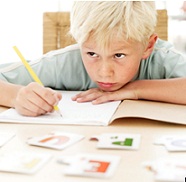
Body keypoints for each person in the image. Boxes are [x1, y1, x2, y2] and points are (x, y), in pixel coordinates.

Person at [0, 1, 186, 117]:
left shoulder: (163, 59)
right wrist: (17, 97)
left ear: (148, 46)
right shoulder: (66, 63)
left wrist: (136, 89)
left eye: (119, 55)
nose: (104, 72)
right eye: (92, 54)